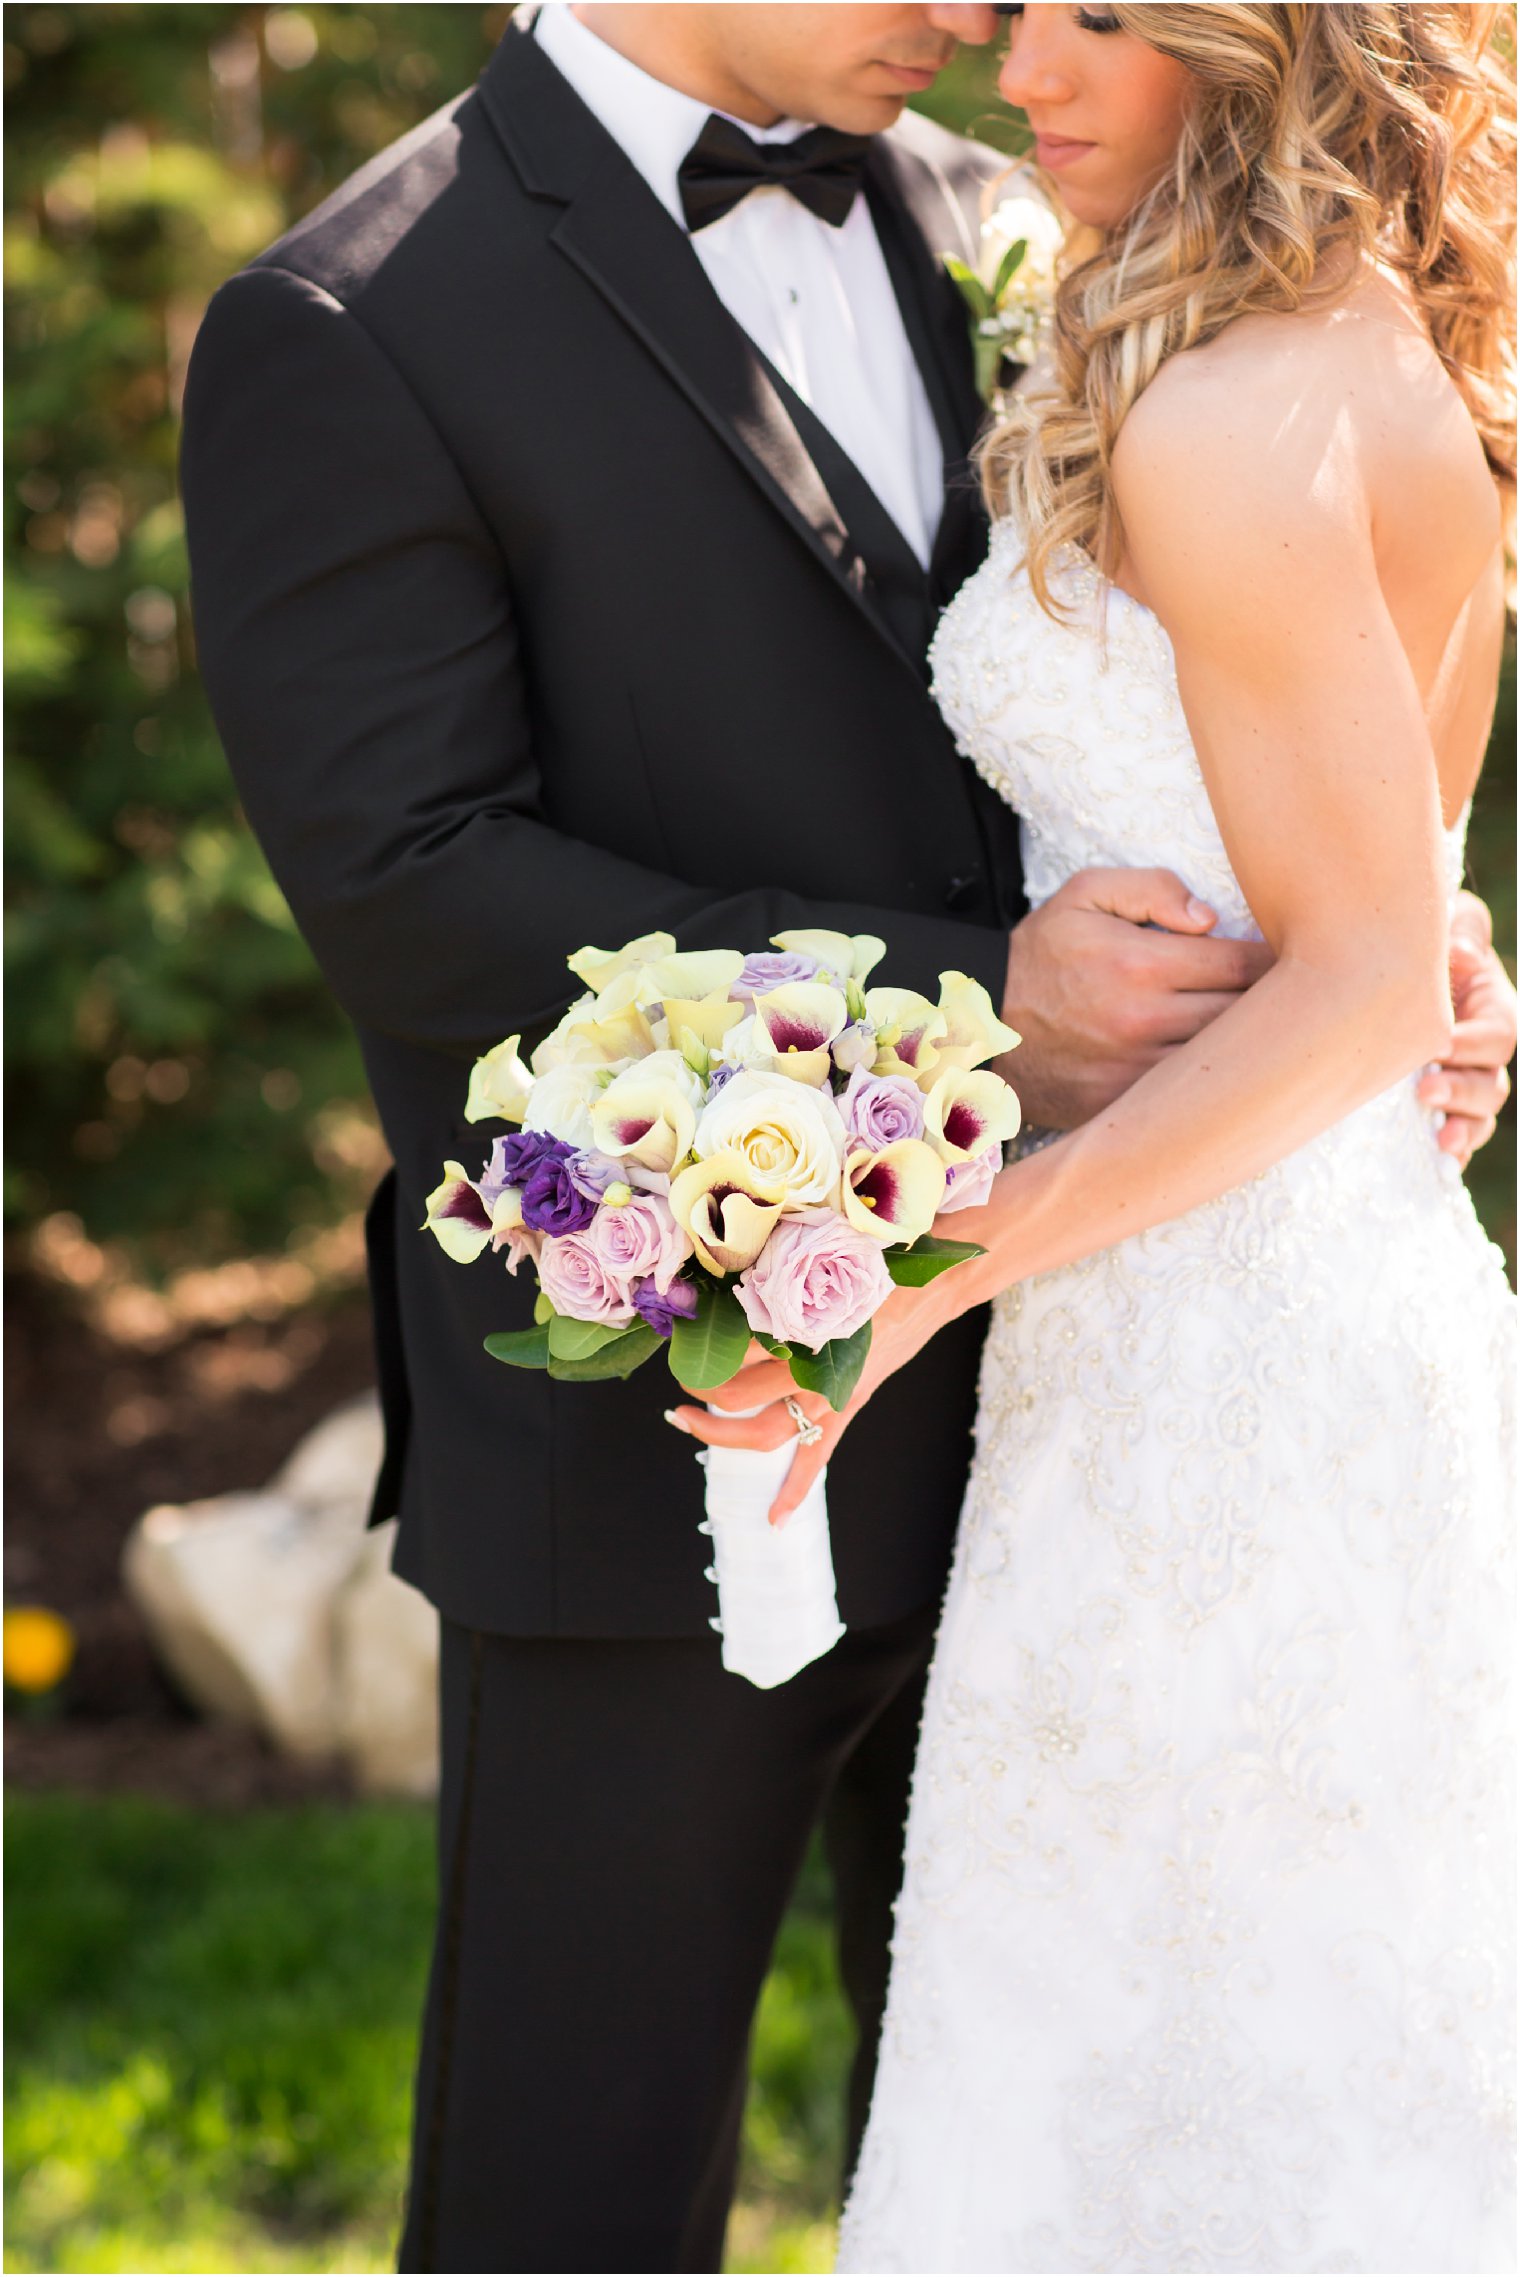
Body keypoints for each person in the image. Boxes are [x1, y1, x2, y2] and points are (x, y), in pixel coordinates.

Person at [177, 5, 1516, 2268]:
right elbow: (414, 882)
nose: (987, 25)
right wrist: (982, 995)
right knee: (572, 2194)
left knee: (1083, 2138)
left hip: (1127, 1425)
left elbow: (1229, 688)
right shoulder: (352, 313)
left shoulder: (1032, 232)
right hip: (679, 1430)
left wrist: (1383, 927)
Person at [676, 6, 1519, 2269]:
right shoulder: (1370, 340)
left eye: (1100, 21)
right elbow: (1374, 877)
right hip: (1299, 1296)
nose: (1013, 68)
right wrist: (1437, 940)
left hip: (1217, 1351)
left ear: (1263, 47)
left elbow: (1344, 966)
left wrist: (938, 1260)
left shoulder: (1232, 410)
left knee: (1158, 2087)